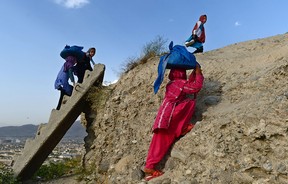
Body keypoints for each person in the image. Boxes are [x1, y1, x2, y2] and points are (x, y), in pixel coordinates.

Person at [143, 64, 204, 181]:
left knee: (158, 141)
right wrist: (198, 73)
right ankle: (150, 167)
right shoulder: (179, 83)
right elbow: (195, 87)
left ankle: (149, 166)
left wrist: (194, 74)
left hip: (164, 116)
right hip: (170, 117)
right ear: (181, 74)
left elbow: (187, 86)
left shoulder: (171, 83)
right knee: (190, 103)